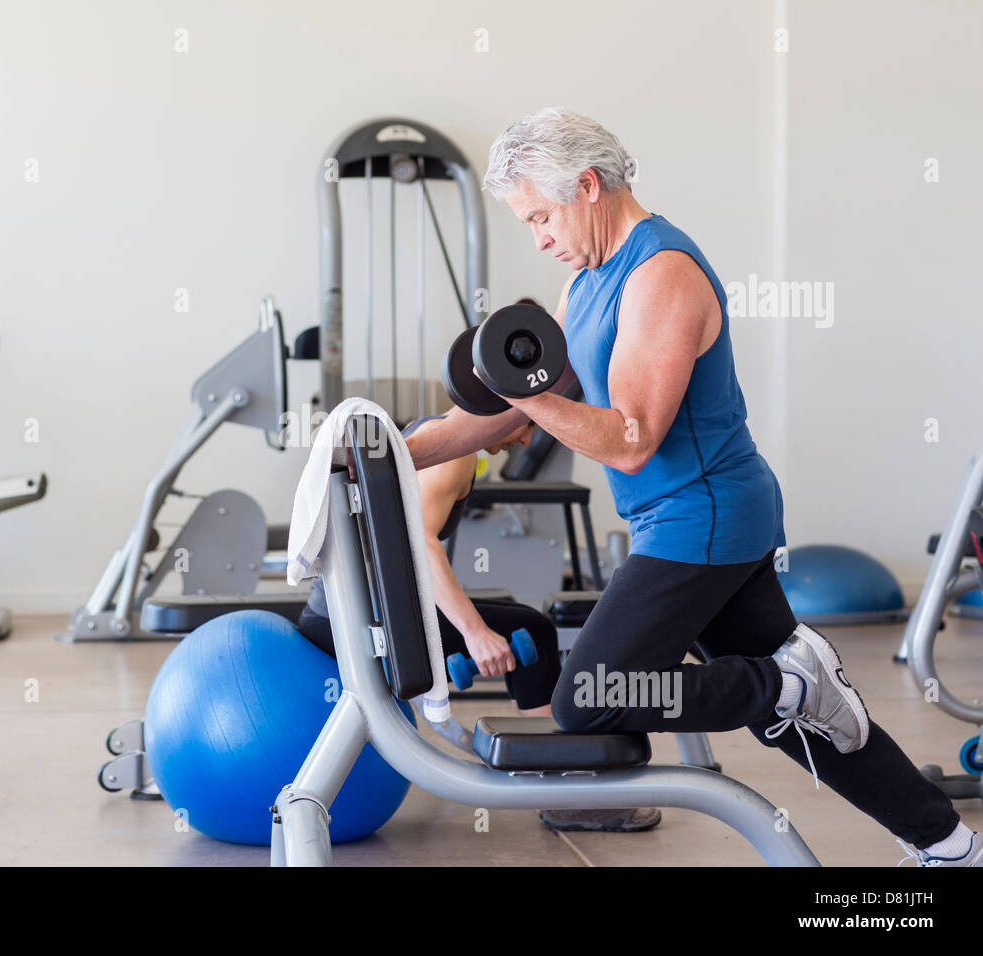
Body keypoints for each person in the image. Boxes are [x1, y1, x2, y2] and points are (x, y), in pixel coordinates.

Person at [406, 107, 978, 866]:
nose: (538, 236)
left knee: (592, 697)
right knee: (812, 718)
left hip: (704, 517)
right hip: (682, 523)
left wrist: (531, 398)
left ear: (587, 187)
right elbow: (520, 414)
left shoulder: (662, 275)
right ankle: (949, 843)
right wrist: (385, 449)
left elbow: (633, 439)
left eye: (541, 216)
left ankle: (779, 686)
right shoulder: (584, 285)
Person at [299, 413, 661, 833]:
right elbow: (423, 542)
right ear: (497, 409)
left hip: (342, 617)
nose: (526, 441)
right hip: (358, 627)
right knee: (535, 635)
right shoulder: (456, 455)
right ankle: (568, 794)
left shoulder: (426, 432)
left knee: (522, 622)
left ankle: (556, 777)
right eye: (526, 424)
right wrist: (475, 633)